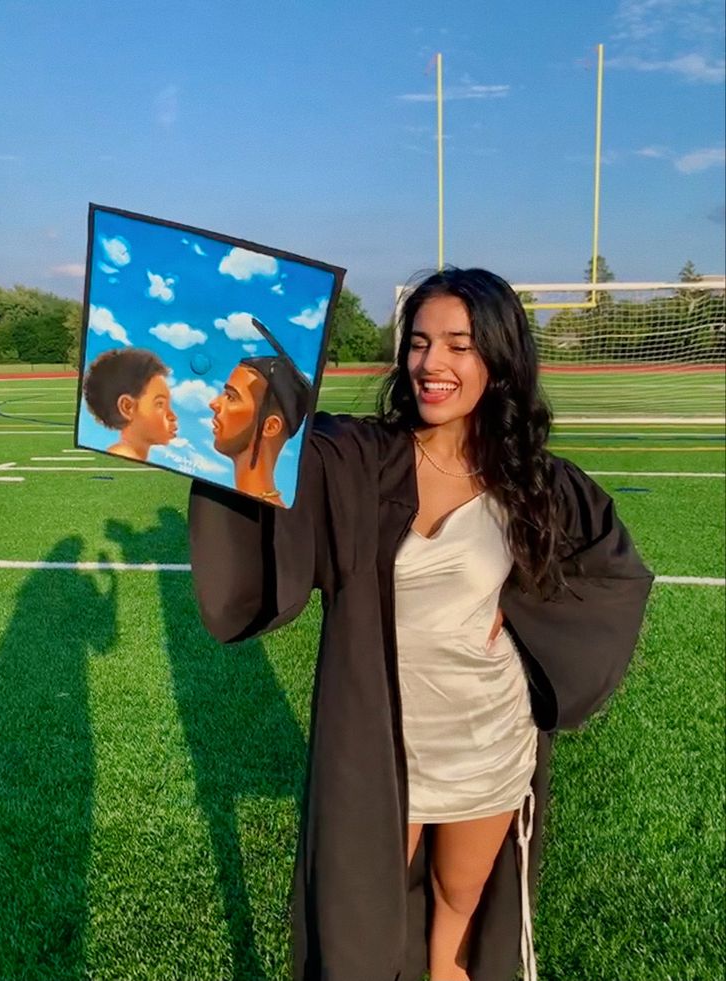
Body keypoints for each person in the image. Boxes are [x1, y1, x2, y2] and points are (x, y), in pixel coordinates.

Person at [188, 268, 653, 981]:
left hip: (487, 739)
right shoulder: (361, 460)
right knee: (360, 921)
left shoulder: (535, 481)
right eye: (420, 343)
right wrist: (227, 419)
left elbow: (614, 571)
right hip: (381, 745)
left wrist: (529, 617)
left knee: (458, 906)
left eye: (460, 346)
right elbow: (278, 452)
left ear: (497, 359)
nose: (433, 364)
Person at [209, 317, 312, 506]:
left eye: (231, 397)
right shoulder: (216, 499)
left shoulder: (270, 516)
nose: (214, 403)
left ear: (270, 426)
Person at [82, 347, 178, 461]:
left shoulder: (132, 458)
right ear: (127, 407)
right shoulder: (125, 457)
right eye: (160, 404)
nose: (173, 416)